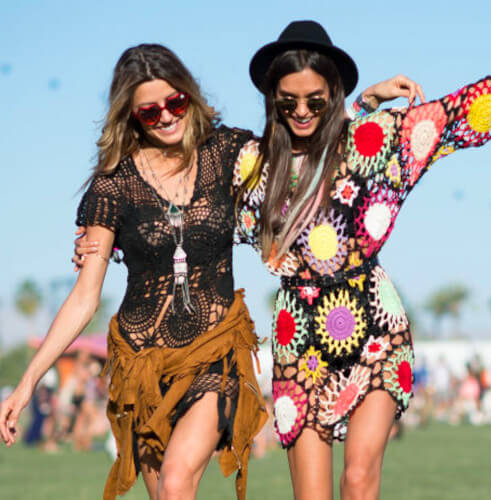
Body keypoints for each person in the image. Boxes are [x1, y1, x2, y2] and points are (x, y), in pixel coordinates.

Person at [0, 41, 419, 500]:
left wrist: (365, 103)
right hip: (141, 367)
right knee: (168, 493)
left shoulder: (228, 153)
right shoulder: (111, 187)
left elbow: (302, 140)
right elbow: (85, 297)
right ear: (130, 116)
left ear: (189, 95)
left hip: (213, 355)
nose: (166, 117)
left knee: (176, 482)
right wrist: (27, 383)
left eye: (175, 102)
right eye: (149, 112)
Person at [233, 20, 491, 500]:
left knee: (357, 480)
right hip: (299, 337)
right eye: (288, 102)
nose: (301, 112)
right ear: (272, 99)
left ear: (333, 95)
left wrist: (364, 108)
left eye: (315, 102)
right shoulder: (253, 165)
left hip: (376, 327)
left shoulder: (369, 141)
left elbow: (462, 111)